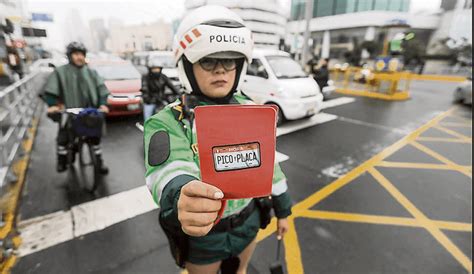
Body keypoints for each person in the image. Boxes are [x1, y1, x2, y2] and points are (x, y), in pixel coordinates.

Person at [143, 6, 292, 274]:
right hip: (204, 236)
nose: (220, 70)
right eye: (208, 61)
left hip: (248, 223)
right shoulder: (166, 121)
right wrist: (182, 194)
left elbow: (272, 169)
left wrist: (283, 210)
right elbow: (168, 171)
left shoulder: (252, 110)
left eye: (229, 61)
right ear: (188, 65)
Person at [42, 41, 110, 174]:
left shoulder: (92, 73)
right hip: (69, 112)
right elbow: (51, 91)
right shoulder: (60, 72)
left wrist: (103, 104)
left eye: (81, 54)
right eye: (76, 54)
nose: (79, 57)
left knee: (95, 139)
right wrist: (53, 106)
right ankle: (63, 160)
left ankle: (98, 161)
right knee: (64, 136)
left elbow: (102, 89)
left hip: (89, 112)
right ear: (70, 56)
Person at [141, 57, 180, 122]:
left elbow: (172, 86)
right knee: (148, 118)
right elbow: (145, 89)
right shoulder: (146, 77)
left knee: (168, 116)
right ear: (150, 69)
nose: (156, 70)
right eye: (154, 69)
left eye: (157, 68)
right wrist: (148, 99)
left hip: (161, 99)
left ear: (160, 69)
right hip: (150, 101)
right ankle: (147, 128)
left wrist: (179, 94)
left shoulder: (163, 77)